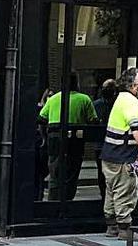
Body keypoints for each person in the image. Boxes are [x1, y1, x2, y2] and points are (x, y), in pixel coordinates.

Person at [101, 67, 138, 239]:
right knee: (125, 191)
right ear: (134, 85)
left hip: (110, 154)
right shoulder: (132, 101)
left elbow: (127, 124)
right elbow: (134, 126)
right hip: (124, 155)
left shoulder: (120, 98)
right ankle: (125, 229)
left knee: (111, 191)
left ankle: (111, 227)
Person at [39, 73, 98, 201]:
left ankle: (53, 201)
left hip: (54, 139)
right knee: (72, 171)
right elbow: (93, 121)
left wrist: (45, 136)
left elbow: (41, 119)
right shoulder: (84, 99)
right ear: (76, 83)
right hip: (75, 140)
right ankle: (67, 201)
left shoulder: (53, 99)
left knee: (54, 172)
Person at [92, 79, 118, 200]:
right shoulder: (115, 105)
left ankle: (106, 195)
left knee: (103, 172)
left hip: (105, 144)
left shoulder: (97, 104)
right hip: (107, 144)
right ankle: (107, 195)